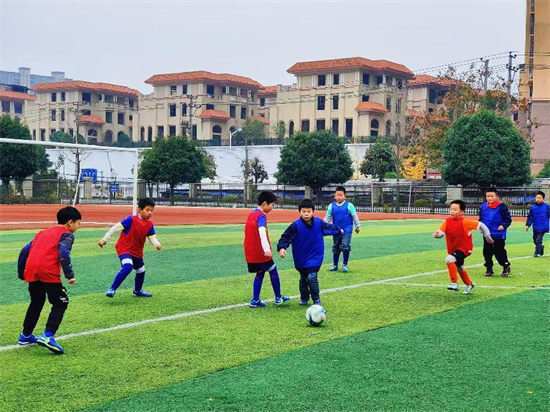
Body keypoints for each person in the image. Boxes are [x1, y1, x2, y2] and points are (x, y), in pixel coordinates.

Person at [17, 206, 82, 354]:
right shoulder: (67, 234)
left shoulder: (42, 232)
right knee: (61, 302)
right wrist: (69, 275)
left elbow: (24, 251)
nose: (79, 226)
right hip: (47, 270)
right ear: (70, 222)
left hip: (32, 269)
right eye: (78, 223)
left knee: (37, 301)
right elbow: (64, 253)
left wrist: (22, 273)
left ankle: (25, 335)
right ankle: (48, 335)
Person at [277, 199, 342, 306]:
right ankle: (304, 298)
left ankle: (316, 300)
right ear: (299, 212)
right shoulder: (295, 226)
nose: (306, 214)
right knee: (303, 278)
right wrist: (282, 248)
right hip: (301, 257)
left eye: (308, 211)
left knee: (311, 277)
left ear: (313, 212)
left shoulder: (318, 223)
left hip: (315, 256)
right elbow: (286, 237)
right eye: (304, 211)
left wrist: (339, 230)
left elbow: (328, 227)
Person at [99, 198, 161, 298]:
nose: (150, 213)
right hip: (124, 248)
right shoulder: (131, 219)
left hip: (137, 252)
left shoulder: (149, 224)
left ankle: (137, 291)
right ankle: (112, 289)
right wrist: (104, 239)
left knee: (141, 271)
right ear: (139, 210)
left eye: (152, 210)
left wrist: (156, 244)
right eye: (147, 210)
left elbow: (152, 237)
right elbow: (115, 228)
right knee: (128, 266)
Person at [434, 200, 493, 295]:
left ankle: (454, 283)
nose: (452, 211)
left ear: (461, 212)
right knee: (459, 268)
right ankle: (470, 284)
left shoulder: (465, 222)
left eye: (455, 210)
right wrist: (437, 234)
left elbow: (481, 225)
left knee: (449, 259)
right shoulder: (447, 222)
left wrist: (487, 236)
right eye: (451, 209)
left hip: (465, 249)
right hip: (453, 249)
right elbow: (441, 232)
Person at [244, 191, 290, 307]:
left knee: (260, 273)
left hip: (251, 253)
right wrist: (266, 249)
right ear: (265, 203)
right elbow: (262, 231)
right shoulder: (261, 216)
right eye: (272, 205)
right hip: (261, 253)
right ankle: (278, 297)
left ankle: (255, 300)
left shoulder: (251, 214)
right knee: (273, 270)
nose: (272, 208)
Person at [324, 186, 361, 273]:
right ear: (334, 196)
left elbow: (354, 216)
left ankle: (345, 264)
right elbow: (327, 217)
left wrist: (357, 226)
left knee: (345, 246)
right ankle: (335, 265)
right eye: (337, 195)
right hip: (336, 230)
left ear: (345, 196)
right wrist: (325, 225)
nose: (339, 197)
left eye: (341, 195)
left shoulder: (349, 205)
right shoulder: (331, 206)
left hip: (347, 230)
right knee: (336, 247)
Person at [479, 188, 512, 277]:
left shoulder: (502, 206)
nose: (490, 198)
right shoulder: (483, 206)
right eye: (488, 196)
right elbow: (481, 219)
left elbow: (507, 219)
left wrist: (503, 225)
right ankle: (489, 268)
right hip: (487, 234)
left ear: (496, 196)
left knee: (499, 251)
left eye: (492, 196)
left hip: (498, 234)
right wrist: (481, 227)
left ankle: (506, 266)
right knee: (487, 252)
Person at [525, 191, 550, 257]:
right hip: (535, 226)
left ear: (543, 199)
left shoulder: (546, 206)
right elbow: (530, 217)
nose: (538, 199)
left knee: (538, 240)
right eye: (537, 198)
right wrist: (527, 225)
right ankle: (541, 247)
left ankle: (537, 253)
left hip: (543, 226)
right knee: (535, 240)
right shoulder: (533, 207)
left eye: (539, 198)